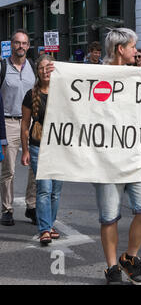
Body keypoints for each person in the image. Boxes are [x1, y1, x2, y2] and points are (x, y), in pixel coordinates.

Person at [95, 28, 141, 284]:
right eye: (132, 47)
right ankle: (111, 268)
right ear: (120, 49)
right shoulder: (96, 76)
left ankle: (130, 258)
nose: (136, 51)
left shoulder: (138, 76)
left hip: (136, 156)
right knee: (109, 216)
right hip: (106, 159)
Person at [21, 54, 63, 246]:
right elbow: (25, 124)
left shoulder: (63, 92)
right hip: (38, 147)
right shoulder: (31, 95)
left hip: (60, 148)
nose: (45, 71)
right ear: (37, 72)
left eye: (49, 67)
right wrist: (26, 150)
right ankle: (44, 228)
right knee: (44, 189)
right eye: (41, 68)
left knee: (55, 191)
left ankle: (50, 224)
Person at [0, 29, 37, 226]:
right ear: (11, 45)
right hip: (9, 122)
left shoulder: (33, 66)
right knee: (9, 170)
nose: (20, 46)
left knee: (35, 166)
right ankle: (7, 209)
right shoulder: (2, 67)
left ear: (28, 46)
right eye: (17, 42)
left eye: (24, 43)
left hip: (31, 123)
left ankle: (31, 207)